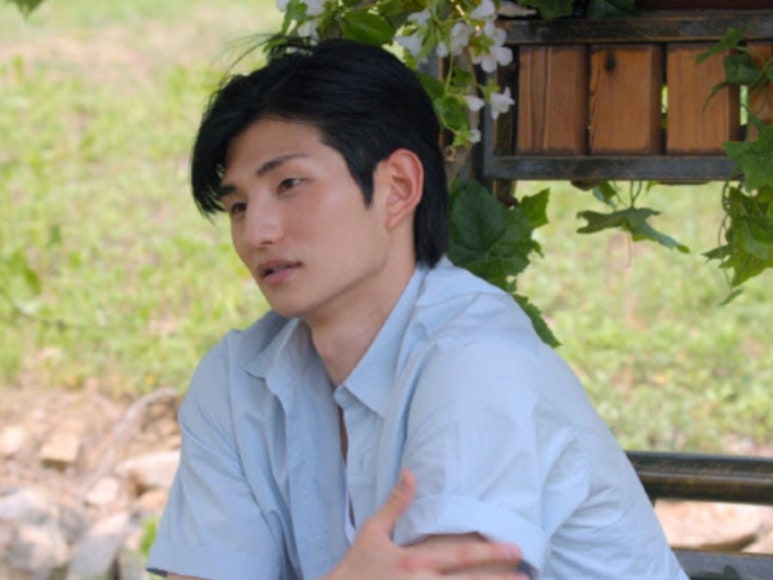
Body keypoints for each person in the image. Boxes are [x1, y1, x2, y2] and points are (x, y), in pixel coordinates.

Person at [146, 38, 687, 579]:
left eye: (289, 184)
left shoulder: (477, 363)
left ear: (398, 188)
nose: (257, 233)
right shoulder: (238, 381)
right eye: (238, 206)